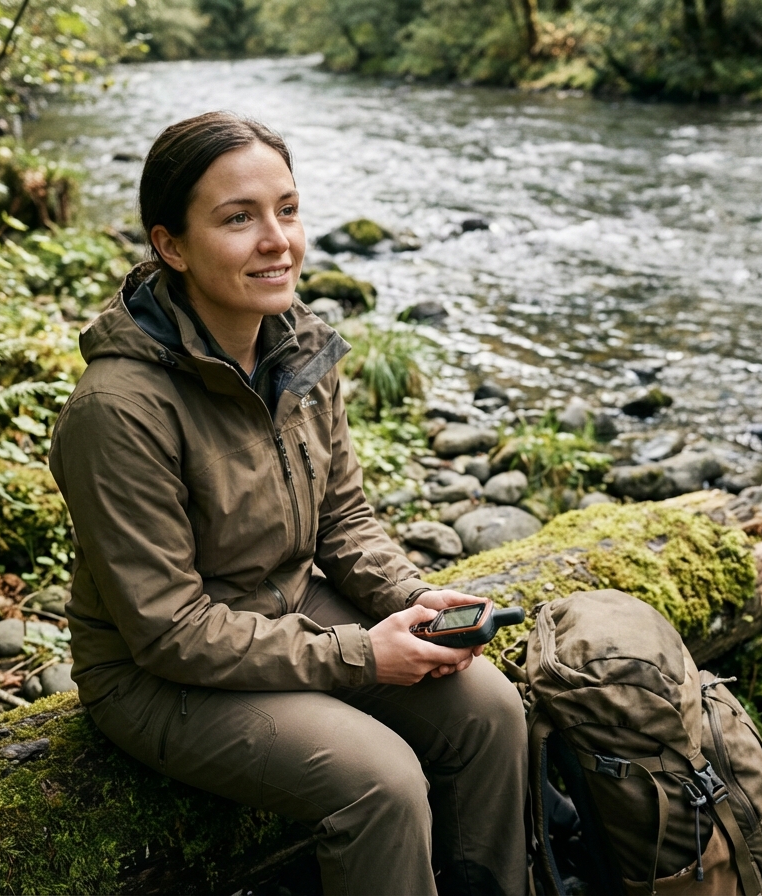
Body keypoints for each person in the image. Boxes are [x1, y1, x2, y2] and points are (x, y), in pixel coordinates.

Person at [48, 111, 528, 896]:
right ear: (171, 245)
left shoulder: (297, 344)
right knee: (382, 780)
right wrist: (362, 655)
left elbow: (342, 520)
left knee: (491, 711)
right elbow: (168, 630)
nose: (278, 240)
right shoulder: (117, 411)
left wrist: (410, 600)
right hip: (159, 677)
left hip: (293, 606)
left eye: (288, 209)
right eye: (239, 219)